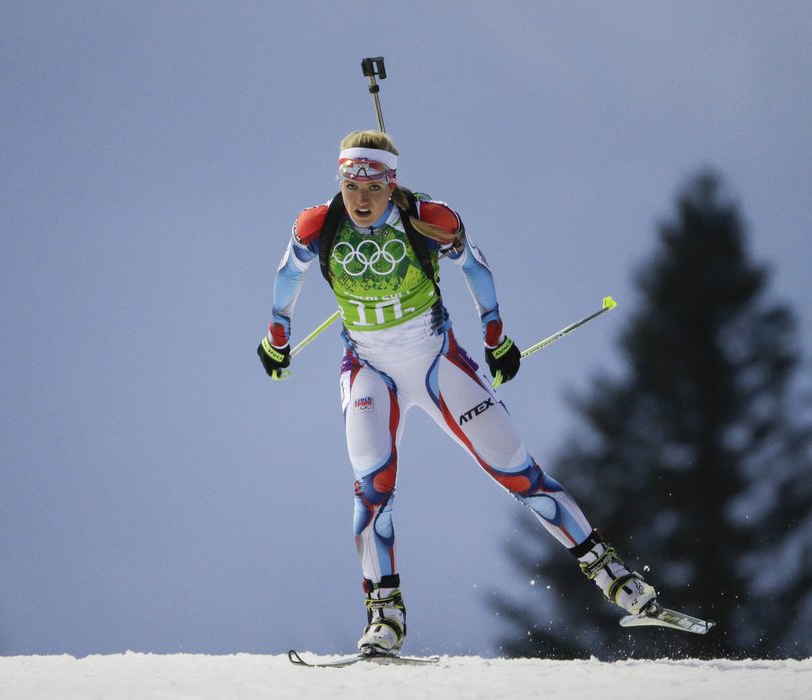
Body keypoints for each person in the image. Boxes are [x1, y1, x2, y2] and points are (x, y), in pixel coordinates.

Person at [257, 130, 657, 657]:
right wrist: (276, 338)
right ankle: (385, 616)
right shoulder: (317, 224)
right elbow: (288, 276)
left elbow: (475, 266)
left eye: (372, 186)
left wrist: (497, 337)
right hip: (368, 368)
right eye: (350, 184)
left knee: (517, 472)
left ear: (390, 183)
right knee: (372, 486)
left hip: (436, 361)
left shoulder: (430, 218)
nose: (359, 197)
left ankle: (614, 575)